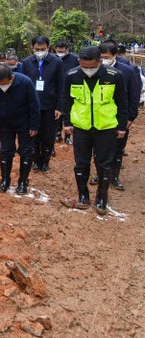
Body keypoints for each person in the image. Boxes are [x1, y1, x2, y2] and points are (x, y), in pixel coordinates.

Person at [61, 47, 127, 214]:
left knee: (104, 165)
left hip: (106, 127)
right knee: (81, 164)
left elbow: (121, 102)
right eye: (84, 66)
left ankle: (101, 199)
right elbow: (66, 100)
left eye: (91, 66)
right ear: (79, 63)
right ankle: (83, 196)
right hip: (81, 128)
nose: (88, 69)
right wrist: (67, 122)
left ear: (99, 61)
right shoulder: (71, 75)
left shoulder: (114, 76)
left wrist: (121, 126)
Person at [0, 64, 39, 195]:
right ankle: (5, 180)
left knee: (26, 151)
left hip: (25, 123)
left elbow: (34, 104)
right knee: (5, 151)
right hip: (4, 124)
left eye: (4, 84)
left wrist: (34, 125)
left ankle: (22, 181)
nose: (1, 86)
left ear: (12, 77)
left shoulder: (25, 82)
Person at [99, 41, 139, 191]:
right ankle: (101, 173)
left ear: (114, 55)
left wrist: (130, 117)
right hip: (101, 116)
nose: (104, 60)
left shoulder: (127, 71)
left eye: (107, 56)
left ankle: (114, 176)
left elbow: (134, 95)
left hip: (120, 116)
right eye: (101, 57)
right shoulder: (97, 70)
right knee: (100, 149)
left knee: (118, 148)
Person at [21, 36, 63, 174]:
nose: (39, 51)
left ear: (48, 47)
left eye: (42, 49)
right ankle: (36, 161)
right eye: (37, 49)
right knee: (33, 134)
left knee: (48, 136)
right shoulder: (27, 62)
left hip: (50, 105)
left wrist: (59, 107)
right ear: (32, 48)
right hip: (31, 106)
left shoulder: (56, 62)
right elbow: (23, 84)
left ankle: (45, 161)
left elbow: (61, 86)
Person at [55, 41, 79, 144]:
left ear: (67, 49)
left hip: (71, 88)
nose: (60, 53)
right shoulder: (53, 59)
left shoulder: (74, 59)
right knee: (57, 112)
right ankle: (58, 134)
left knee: (69, 112)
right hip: (57, 89)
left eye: (62, 51)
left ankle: (68, 136)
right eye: (58, 51)